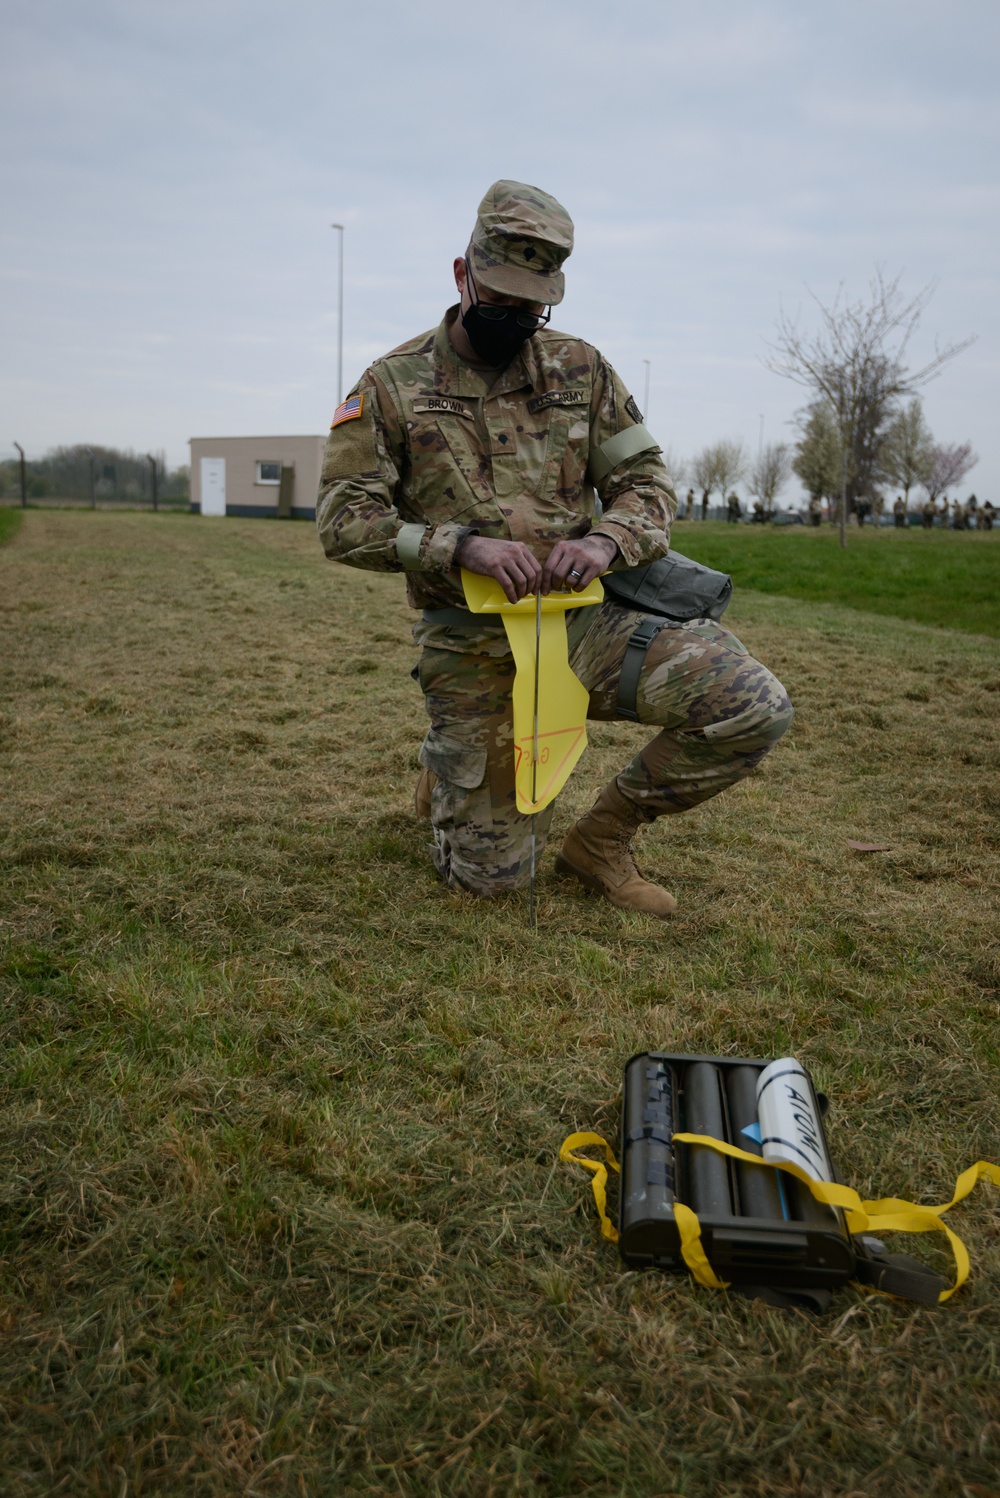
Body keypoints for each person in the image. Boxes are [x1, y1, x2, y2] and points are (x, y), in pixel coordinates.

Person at [315, 180, 793, 917]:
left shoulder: (583, 369)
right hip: (470, 639)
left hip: (582, 625)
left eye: (532, 307)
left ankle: (601, 842)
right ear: (461, 274)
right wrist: (458, 548)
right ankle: (453, 758)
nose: (516, 320)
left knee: (750, 705)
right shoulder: (391, 385)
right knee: (493, 888)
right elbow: (343, 519)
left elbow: (650, 487)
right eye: (499, 300)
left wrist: (606, 540)